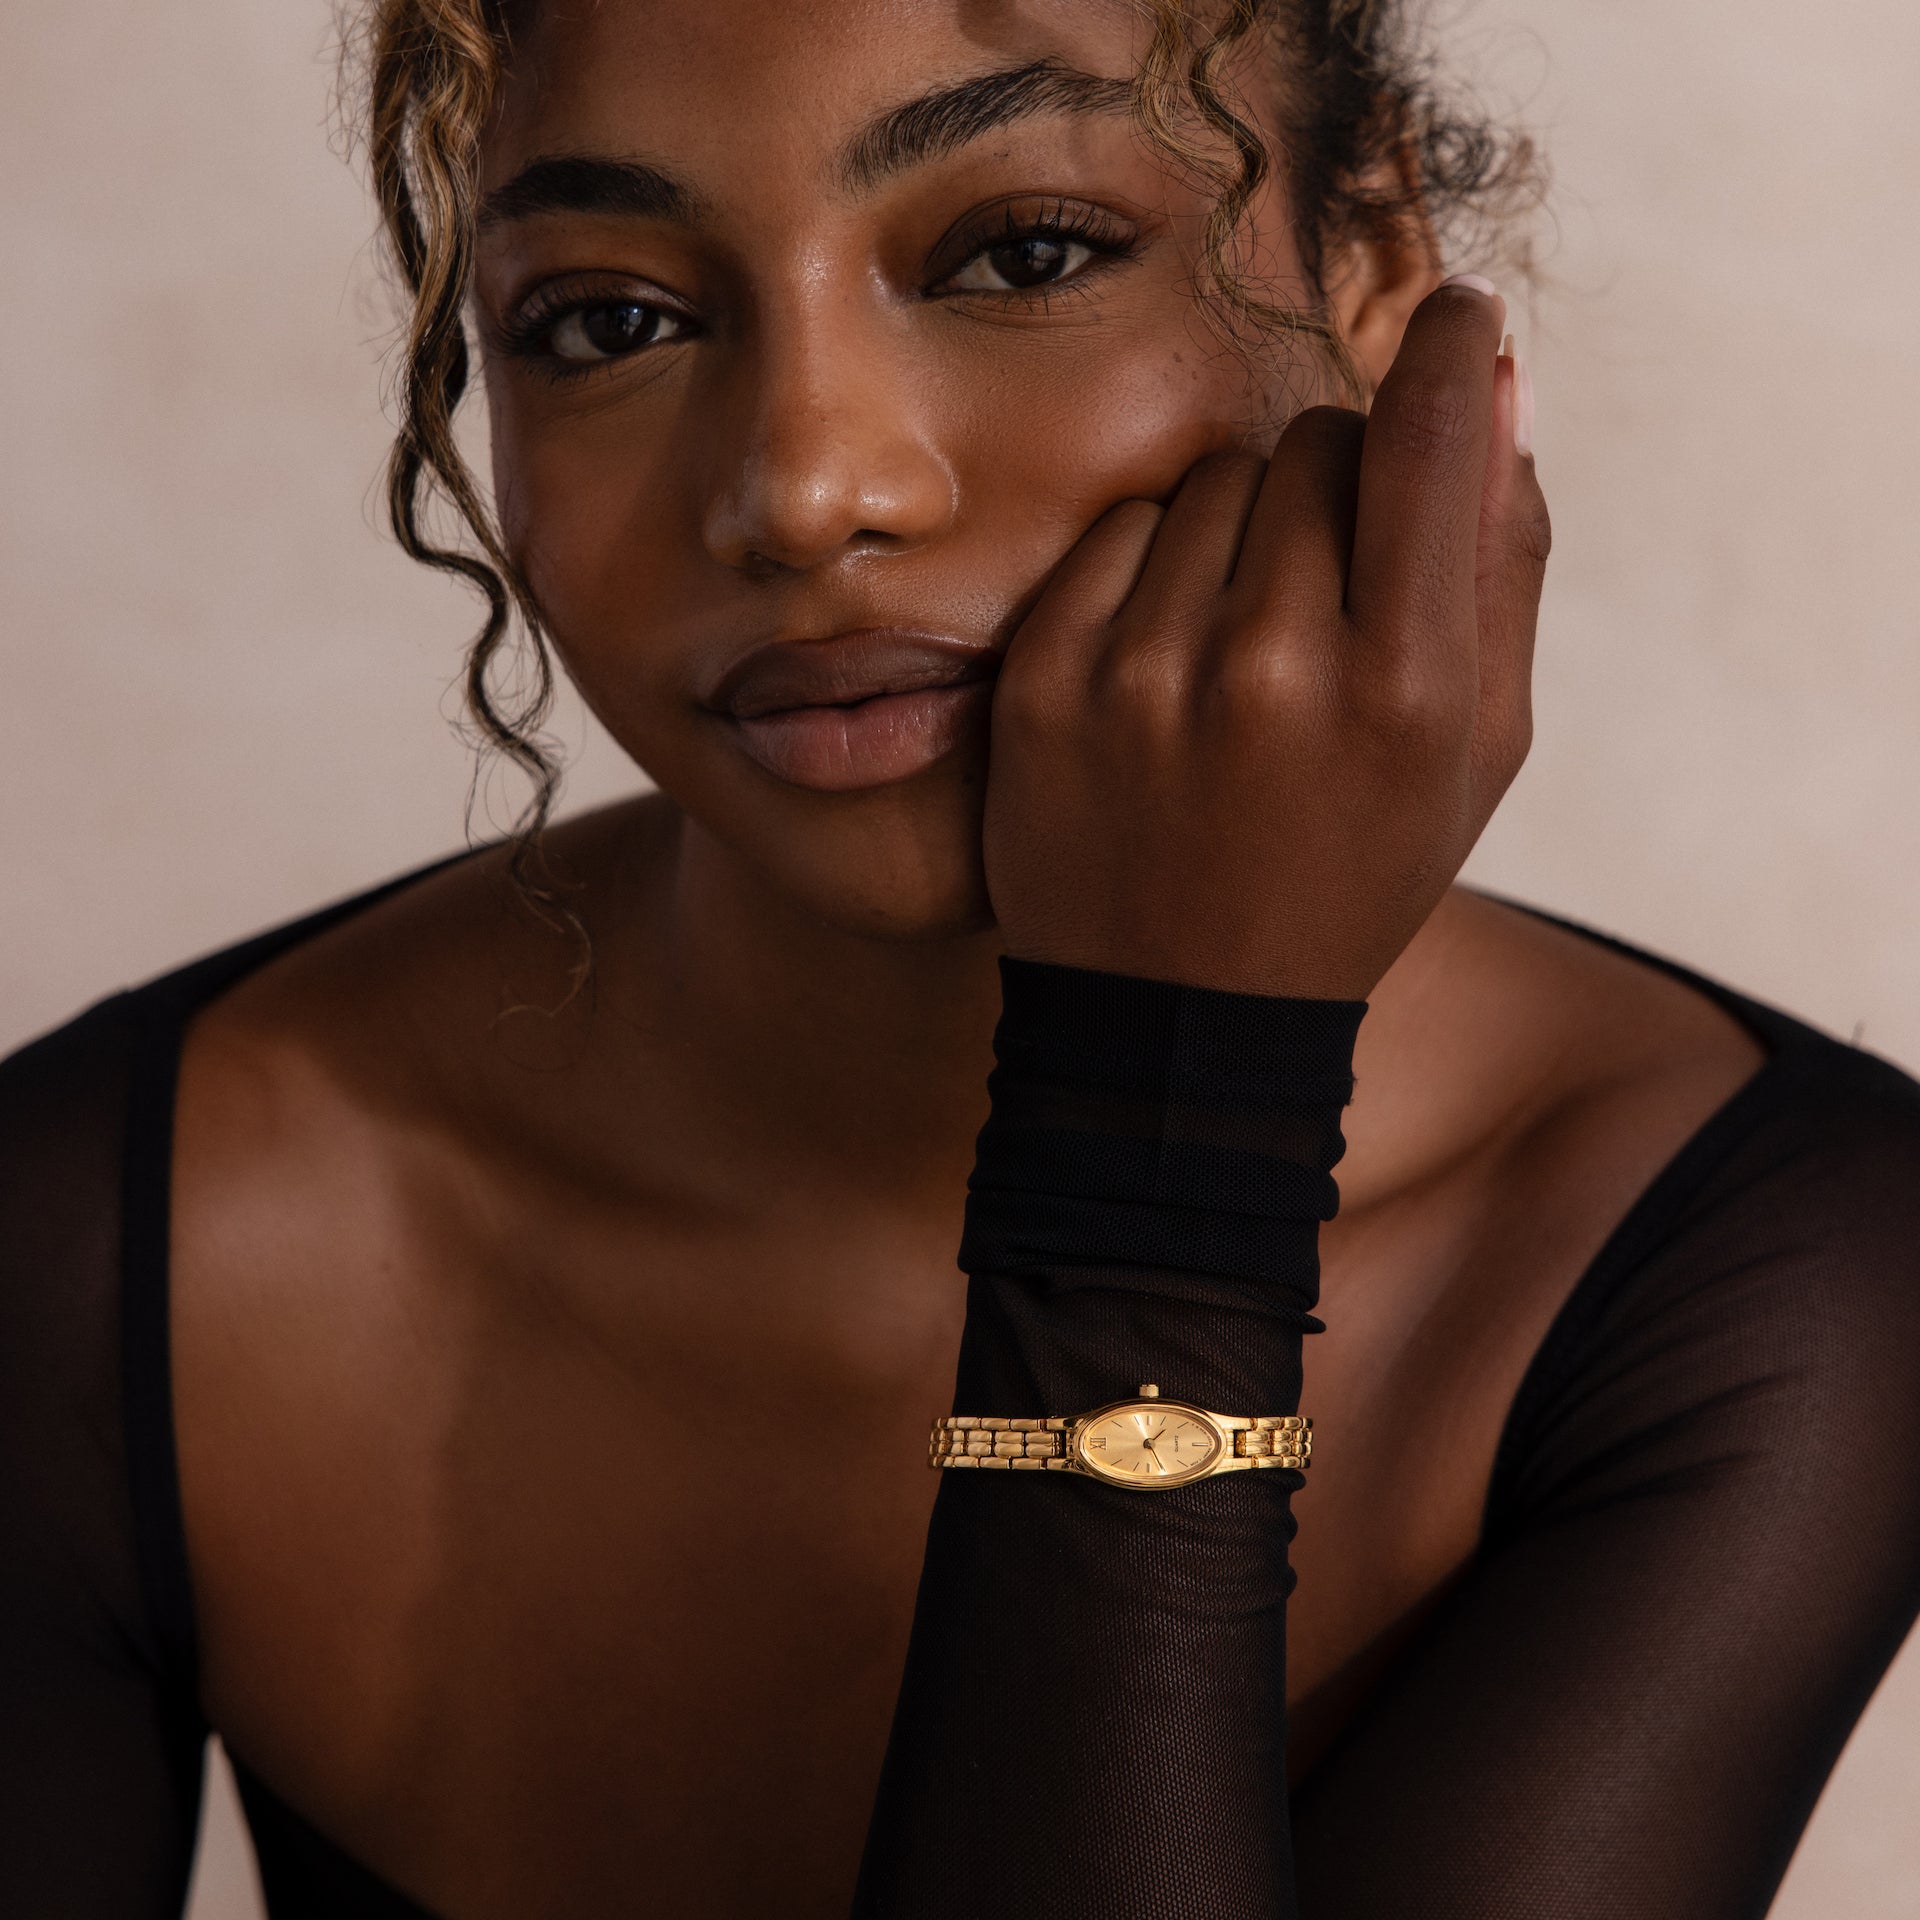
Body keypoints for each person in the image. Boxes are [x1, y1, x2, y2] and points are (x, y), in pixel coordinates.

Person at [3, 1, 1917, 1914]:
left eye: (1025, 254)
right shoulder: (120, 1243)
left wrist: (1170, 1128)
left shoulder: (1746, 1258)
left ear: (1372, 274)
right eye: (609, 319)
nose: (814, 487)